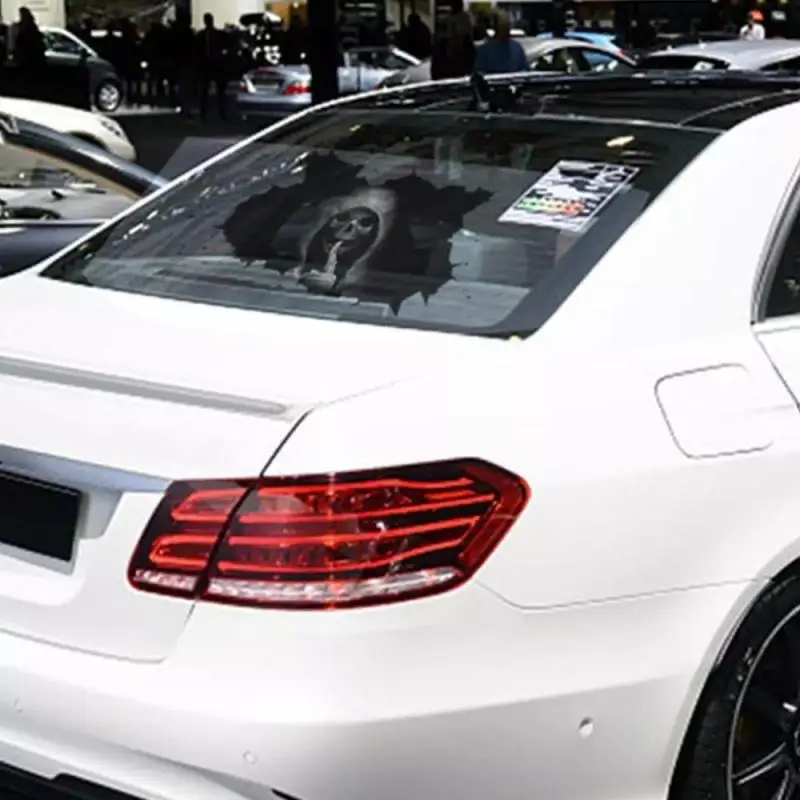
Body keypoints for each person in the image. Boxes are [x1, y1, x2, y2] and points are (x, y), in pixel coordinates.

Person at [196, 12, 228, 119]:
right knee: (204, 90)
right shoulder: (201, 35)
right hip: (205, 65)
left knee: (220, 90)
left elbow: (225, 46)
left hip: (217, 64)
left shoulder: (219, 35)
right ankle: (204, 112)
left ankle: (222, 112)